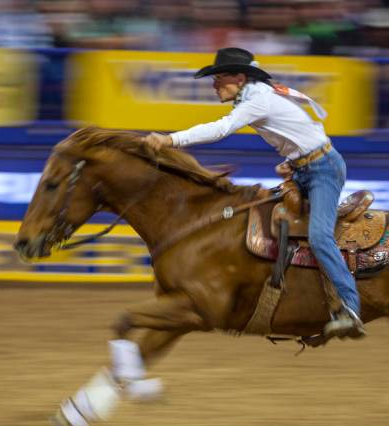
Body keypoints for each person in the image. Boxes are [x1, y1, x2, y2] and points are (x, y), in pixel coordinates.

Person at [142, 47, 365, 340]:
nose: (214, 84)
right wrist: (295, 159)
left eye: (220, 77)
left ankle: (350, 307)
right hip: (308, 167)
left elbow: (222, 129)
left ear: (240, 77)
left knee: (319, 236)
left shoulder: (258, 100)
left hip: (322, 169)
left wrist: (170, 139)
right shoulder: (259, 94)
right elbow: (306, 126)